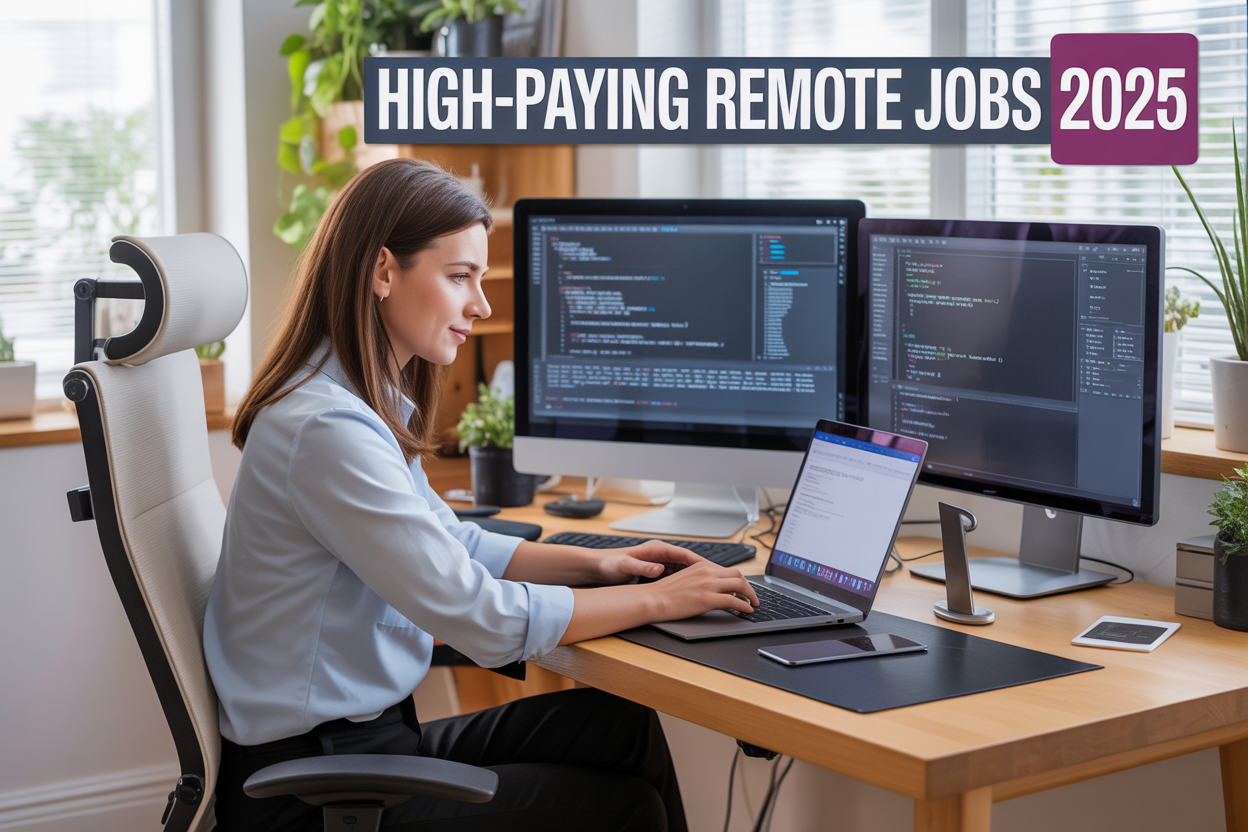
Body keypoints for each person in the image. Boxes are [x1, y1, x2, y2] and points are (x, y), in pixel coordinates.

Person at [203, 158, 759, 832]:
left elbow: (453, 541)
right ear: (383, 271)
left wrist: (600, 563)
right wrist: (654, 599)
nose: (482, 304)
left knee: (620, 726)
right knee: (622, 810)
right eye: (459, 276)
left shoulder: (354, 401)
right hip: (308, 794)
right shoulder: (325, 429)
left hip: (367, 749)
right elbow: (481, 617)